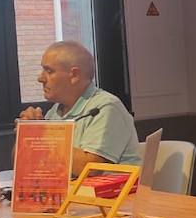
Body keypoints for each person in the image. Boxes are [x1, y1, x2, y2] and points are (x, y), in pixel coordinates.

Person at [16, 40, 141, 174]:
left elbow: (90, 168)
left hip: (113, 194)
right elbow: (22, 165)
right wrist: (26, 132)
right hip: (70, 192)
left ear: (74, 75)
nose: (40, 78)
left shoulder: (106, 107)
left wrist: (41, 134)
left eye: (49, 71)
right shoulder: (56, 111)